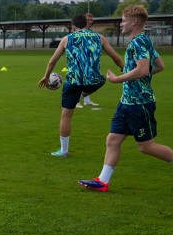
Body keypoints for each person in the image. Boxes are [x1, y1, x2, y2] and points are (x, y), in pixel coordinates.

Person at [78, 4, 173, 192]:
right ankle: (103, 181)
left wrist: (119, 79)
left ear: (134, 21)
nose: (121, 24)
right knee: (113, 140)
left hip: (139, 104)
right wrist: (140, 79)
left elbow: (143, 69)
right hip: (127, 102)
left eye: (123, 20)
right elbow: (159, 66)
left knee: (146, 147)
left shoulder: (139, 42)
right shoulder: (142, 40)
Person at [39, 14, 123, 157]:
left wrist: (46, 76)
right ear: (87, 24)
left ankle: (64, 151)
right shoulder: (99, 38)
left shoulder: (67, 39)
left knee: (66, 116)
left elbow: (52, 61)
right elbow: (115, 56)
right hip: (94, 81)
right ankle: (83, 95)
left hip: (73, 82)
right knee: (102, 78)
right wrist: (124, 69)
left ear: (73, 27)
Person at [82, 12, 99, 107]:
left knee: (89, 80)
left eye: (91, 20)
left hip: (91, 60)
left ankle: (87, 100)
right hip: (81, 60)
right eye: (88, 20)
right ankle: (76, 101)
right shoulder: (79, 32)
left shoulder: (92, 33)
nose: (90, 22)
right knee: (81, 80)